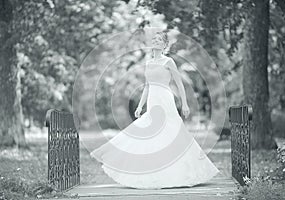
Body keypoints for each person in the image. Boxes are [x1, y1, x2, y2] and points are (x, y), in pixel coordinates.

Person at [90, 31, 220, 189]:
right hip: (152, 100)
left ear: (165, 45)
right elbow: (146, 86)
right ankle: (152, 172)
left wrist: (185, 104)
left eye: (160, 40)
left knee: (171, 131)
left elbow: (179, 84)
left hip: (165, 99)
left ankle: (180, 172)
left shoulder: (169, 62)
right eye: (155, 39)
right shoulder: (148, 63)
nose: (156, 41)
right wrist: (140, 106)